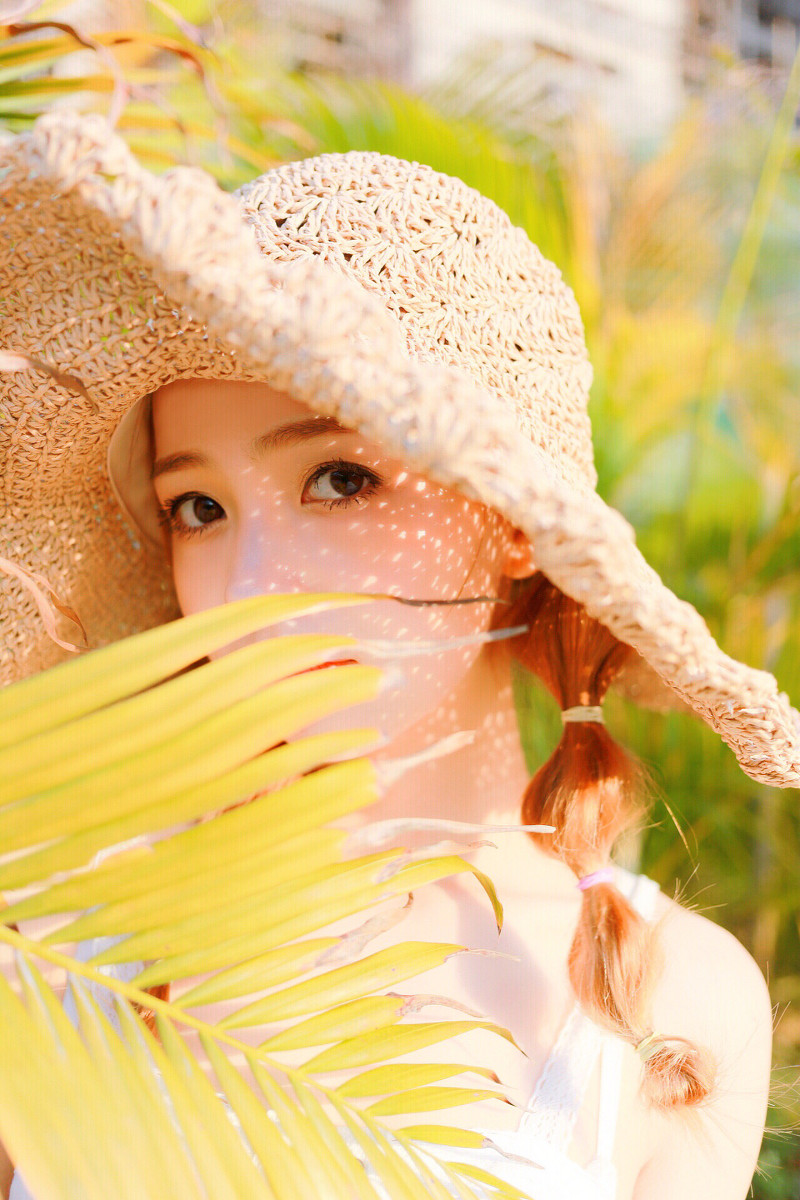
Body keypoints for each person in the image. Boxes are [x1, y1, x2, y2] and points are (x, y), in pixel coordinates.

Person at [1, 108, 794, 1200]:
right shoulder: (56, 918)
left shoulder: (675, 1004)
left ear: (512, 519)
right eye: (197, 505)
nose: (252, 581)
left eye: (339, 479)